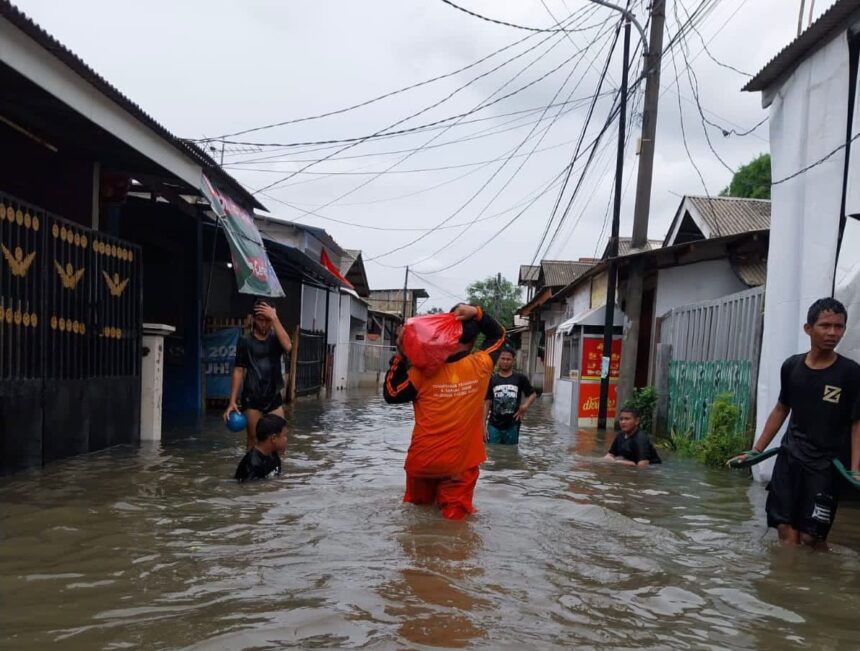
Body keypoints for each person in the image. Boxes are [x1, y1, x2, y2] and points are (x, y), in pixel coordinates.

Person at [727, 297, 860, 549]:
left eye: (839, 326)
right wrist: (756, 451)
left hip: (826, 466)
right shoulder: (792, 366)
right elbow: (781, 409)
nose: (833, 333)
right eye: (825, 325)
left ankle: (820, 580)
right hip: (789, 459)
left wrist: (855, 469)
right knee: (786, 530)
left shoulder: (850, 373)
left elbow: (857, 423)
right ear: (808, 329)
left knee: (812, 537)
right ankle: (787, 583)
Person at [383, 303, 505, 520]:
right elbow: (498, 335)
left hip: (423, 462)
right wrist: (477, 312)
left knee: (416, 521)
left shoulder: (422, 373)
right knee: (454, 528)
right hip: (460, 466)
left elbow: (391, 394)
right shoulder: (481, 366)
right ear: (471, 343)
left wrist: (401, 355)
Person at [224, 300, 292, 449]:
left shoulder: (276, 338)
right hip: (252, 396)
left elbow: (288, 346)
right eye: (261, 320)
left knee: (279, 439)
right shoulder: (245, 341)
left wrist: (274, 318)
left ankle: (278, 471)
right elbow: (238, 370)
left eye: (268, 320)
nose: (264, 324)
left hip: (273, 394)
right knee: (253, 438)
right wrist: (232, 401)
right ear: (254, 319)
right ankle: (251, 471)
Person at [483, 347, 536, 445]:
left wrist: (525, 406)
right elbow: (487, 402)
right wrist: (483, 425)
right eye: (503, 359)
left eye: (508, 359)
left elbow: (532, 394)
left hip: (513, 424)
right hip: (493, 424)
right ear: (498, 359)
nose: (505, 362)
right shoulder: (492, 380)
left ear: (513, 361)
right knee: (492, 451)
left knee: (511, 453)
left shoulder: (520, 378)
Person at [234, 413, 288, 482]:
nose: (286, 439)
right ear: (273, 438)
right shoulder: (252, 464)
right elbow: (249, 488)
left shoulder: (273, 454)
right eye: (284, 435)